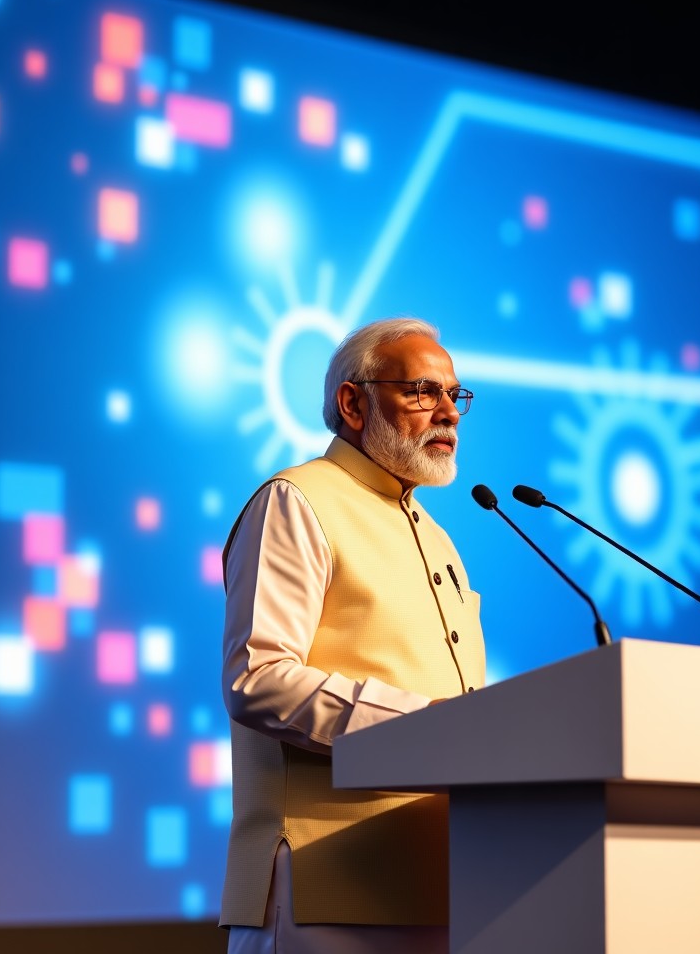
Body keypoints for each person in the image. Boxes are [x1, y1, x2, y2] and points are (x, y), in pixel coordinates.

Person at [220, 316, 485, 953]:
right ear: (353, 401)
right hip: (323, 888)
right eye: (423, 391)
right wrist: (426, 726)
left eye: (455, 395)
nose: (447, 411)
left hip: (451, 884)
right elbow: (256, 680)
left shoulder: (439, 538)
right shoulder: (297, 500)